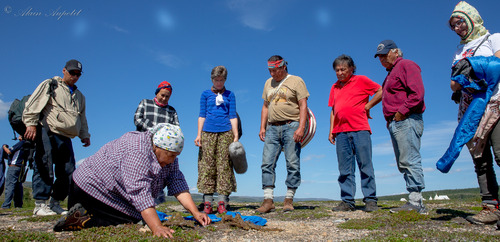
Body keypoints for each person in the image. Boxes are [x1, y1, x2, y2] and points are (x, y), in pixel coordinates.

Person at [53, 123, 210, 238]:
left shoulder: (169, 156)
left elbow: (177, 183)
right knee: (136, 217)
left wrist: (195, 212)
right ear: (157, 146)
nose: (172, 160)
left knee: (138, 215)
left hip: (112, 194)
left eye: (176, 156)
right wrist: (157, 227)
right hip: (88, 188)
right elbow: (139, 193)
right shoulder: (137, 151)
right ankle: (84, 216)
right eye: (171, 155)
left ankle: (85, 214)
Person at [448, 1, 500, 225]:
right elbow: (453, 84)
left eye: (459, 21)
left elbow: (498, 63)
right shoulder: (459, 50)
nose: (457, 28)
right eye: (452, 25)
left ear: (471, 18)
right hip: (470, 110)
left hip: (495, 102)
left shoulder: (493, 38)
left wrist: (474, 65)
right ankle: (491, 207)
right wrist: (461, 78)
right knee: (480, 157)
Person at [22, 59, 91, 216]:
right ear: (64, 70)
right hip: (48, 130)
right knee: (45, 165)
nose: (75, 76)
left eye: (78, 74)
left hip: (66, 136)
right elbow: (34, 103)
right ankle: (40, 204)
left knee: (69, 171)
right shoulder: (50, 84)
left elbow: (82, 117)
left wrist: (84, 135)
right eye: (72, 72)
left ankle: (55, 203)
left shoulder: (80, 96)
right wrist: (31, 124)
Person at [374, 40, 427, 214]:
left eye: (385, 54)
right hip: (396, 122)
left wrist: (401, 112)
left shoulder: (407, 65)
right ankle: (413, 200)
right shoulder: (390, 73)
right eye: (379, 56)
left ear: (395, 52)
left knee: (410, 159)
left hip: (407, 119)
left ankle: (416, 202)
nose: (382, 59)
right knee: (403, 161)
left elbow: (417, 94)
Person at [328, 54, 382, 212]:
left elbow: (380, 90)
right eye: (337, 70)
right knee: (344, 168)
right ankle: (347, 201)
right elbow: (333, 110)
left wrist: (368, 105)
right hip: (341, 132)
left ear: (351, 69)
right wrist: (331, 130)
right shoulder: (335, 87)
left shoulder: (361, 80)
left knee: (365, 165)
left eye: (343, 69)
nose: (340, 72)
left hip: (360, 128)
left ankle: (370, 200)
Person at [257, 55, 309, 213]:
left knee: (292, 163)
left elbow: (303, 104)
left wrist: (301, 127)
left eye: (274, 70)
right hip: (272, 127)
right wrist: (262, 127)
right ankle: (268, 200)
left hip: (291, 125)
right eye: (270, 70)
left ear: (283, 67)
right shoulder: (268, 83)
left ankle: (288, 199)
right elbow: (265, 106)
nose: (272, 74)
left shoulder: (296, 81)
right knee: (267, 163)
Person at [194, 66, 238, 214]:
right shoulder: (205, 94)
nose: (219, 83)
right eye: (216, 80)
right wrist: (199, 134)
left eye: (221, 80)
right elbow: (202, 115)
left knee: (224, 165)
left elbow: (232, 115)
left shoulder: (230, 95)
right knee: (206, 165)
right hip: (207, 133)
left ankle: (222, 202)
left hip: (226, 132)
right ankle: (207, 202)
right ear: (212, 79)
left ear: (225, 80)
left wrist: (236, 135)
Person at [134, 80, 179, 204]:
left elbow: (175, 129)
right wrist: (155, 130)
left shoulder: (172, 111)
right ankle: (140, 199)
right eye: (162, 95)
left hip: (162, 149)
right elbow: (137, 119)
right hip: (144, 145)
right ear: (157, 93)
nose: (164, 98)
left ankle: (158, 200)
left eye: (167, 96)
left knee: (159, 173)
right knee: (143, 171)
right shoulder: (145, 103)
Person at [1, 136, 30, 209]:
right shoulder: (28, 145)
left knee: (10, 186)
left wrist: (4, 146)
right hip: (21, 168)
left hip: (13, 167)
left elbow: (9, 151)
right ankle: (18, 205)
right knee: (18, 187)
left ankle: (6, 205)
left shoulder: (21, 143)